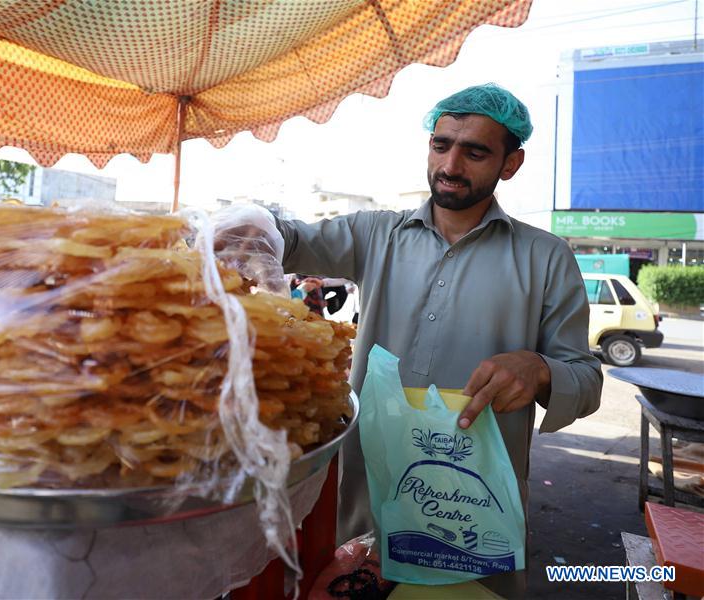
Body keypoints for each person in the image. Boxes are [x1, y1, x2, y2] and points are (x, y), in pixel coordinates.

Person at [215, 83, 603, 598]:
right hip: (367, 492)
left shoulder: (546, 257)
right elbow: (290, 239)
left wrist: (541, 369)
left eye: (475, 152)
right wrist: (247, 226)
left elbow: (587, 378)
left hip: (473, 507)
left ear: (511, 164)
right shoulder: (376, 234)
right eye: (441, 145)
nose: (451, 165)